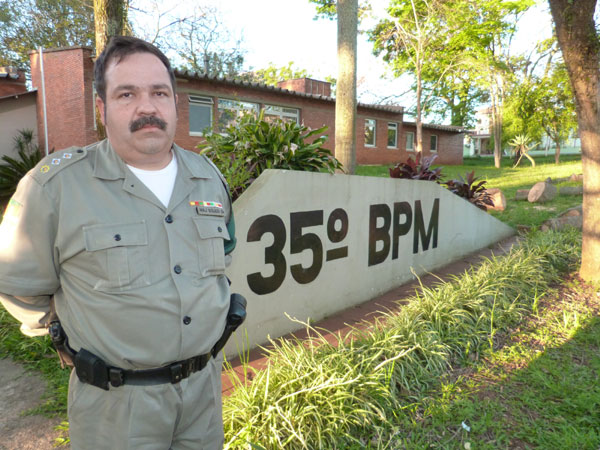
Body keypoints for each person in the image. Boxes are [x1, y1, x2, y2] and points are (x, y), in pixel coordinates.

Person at [0, 36, 237, 449]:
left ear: (174, 104)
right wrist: (64, 330)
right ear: (102, 108)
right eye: (127, 93)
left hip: (203, 396)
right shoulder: (56, 187)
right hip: (116, 408)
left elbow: (225, 255)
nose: (147, 107)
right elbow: (16, 282)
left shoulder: (207, 177)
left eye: (159, 93)